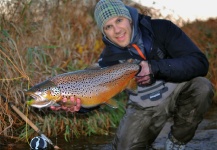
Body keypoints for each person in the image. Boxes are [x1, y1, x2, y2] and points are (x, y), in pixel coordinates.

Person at [52, 0, 215, 149]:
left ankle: (177, 142)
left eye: (119, 20)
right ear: (104, 32)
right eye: (108, 27)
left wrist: (154, 67)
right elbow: (96, 92)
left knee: (202, 87)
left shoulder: (162, 29)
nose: (116, 30)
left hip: (178, 88)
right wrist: (78, 107)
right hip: (144, 103)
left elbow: (199, 62)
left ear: (129, 18)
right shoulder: (108, 59)